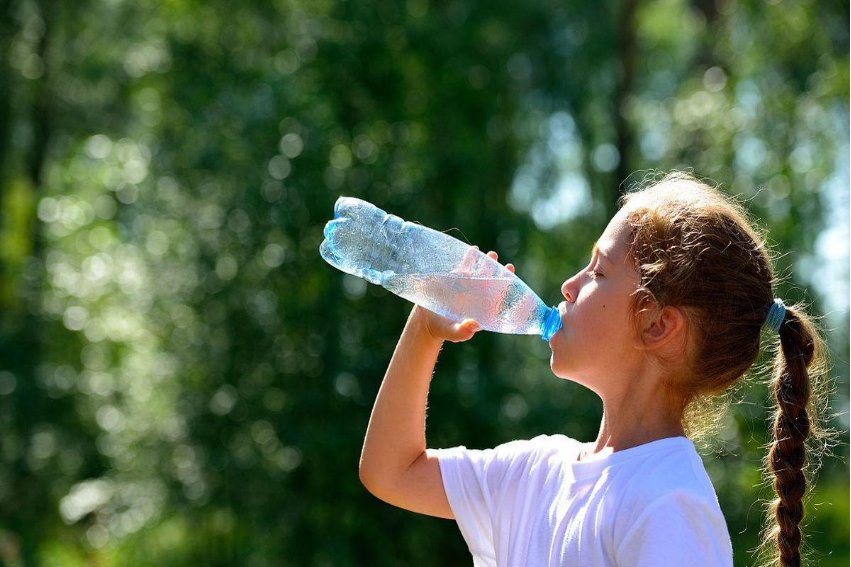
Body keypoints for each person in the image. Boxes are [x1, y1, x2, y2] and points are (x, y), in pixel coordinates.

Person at [357, 172, 829, 567]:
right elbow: (392, 471)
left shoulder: (668, 504)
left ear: (658, 324)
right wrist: (424, 327)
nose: (568, 285)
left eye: (597, 272)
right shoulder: (535, 471)